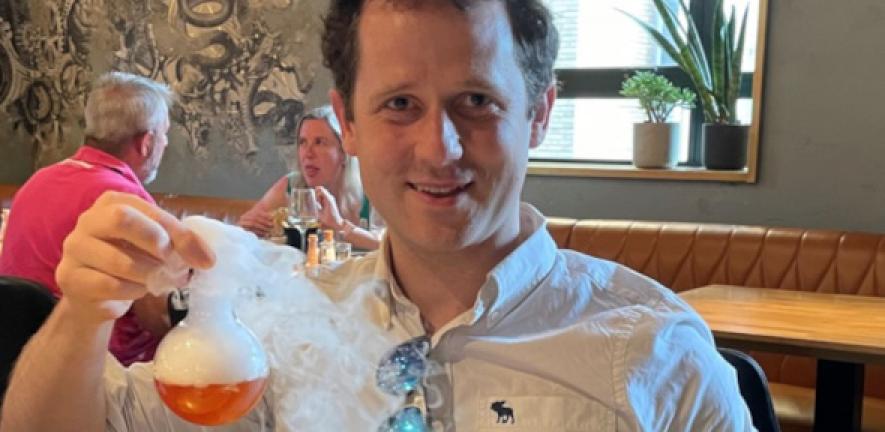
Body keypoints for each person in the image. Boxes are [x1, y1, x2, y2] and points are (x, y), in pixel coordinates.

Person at [0, 1, 754, 431]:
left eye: (477, 101)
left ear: (538, 114)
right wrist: (85, 312)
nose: (438, 148)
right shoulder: (278, 328)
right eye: (399, 104)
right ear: (350, 124)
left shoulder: (655, 353)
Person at [0, 71, 175, 366]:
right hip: (97, 369)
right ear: (146, 142)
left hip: (20, 359)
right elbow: (156, 318)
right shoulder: (127, 204)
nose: (166, 143)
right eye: (165, 133)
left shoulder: (38, 180)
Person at [238, 105, 383, 250]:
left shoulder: (372, 190)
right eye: (303, 142)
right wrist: (245, 227)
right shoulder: (292, 185)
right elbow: (243, 232)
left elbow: (388, 246)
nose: (308, 153)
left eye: (319, 142)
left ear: (344, 152)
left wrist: (339, 225)